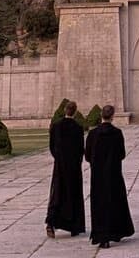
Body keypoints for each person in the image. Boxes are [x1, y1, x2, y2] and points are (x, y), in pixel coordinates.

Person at [85, 104, 134, 249]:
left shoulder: (93, 134)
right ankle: (116, 232)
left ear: (101, 115)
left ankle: (102, 237)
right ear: (112, 116)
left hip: (98, 176)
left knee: (99, 204)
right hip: (114, 174)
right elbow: (122, 154)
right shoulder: (117, 133)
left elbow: (87, 155)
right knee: (115, 202)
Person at [45, 100, 86, 239]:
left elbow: (52, 146)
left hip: (60, 166)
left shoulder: (56, 126)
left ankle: (51, 222)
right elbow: (81, 149)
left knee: (57, 193)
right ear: (75, 111)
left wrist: (58, 159)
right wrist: (76, 162)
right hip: (74, 167)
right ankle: (74, 226)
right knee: (73, 194)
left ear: (64, 110)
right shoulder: (78, 128)